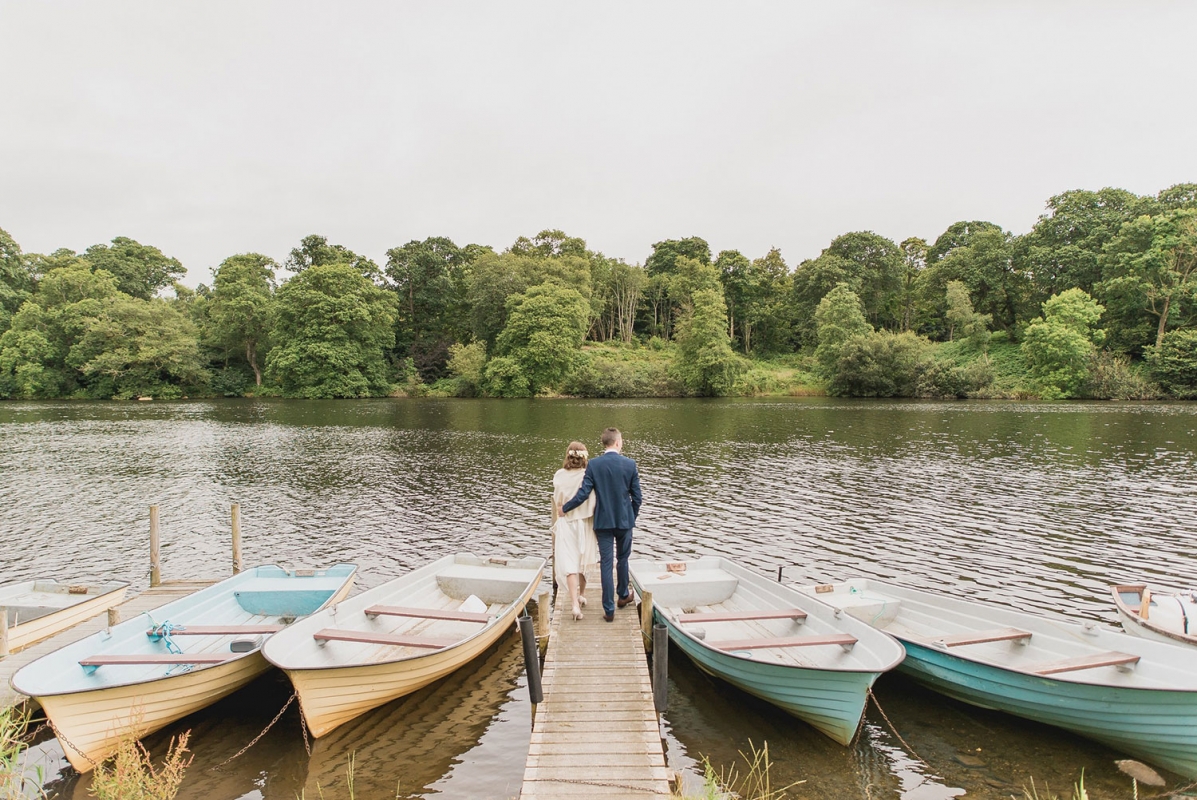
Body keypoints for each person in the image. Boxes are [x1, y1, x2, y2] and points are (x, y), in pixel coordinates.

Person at [561, 427, 642, 622]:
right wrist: (631, 517)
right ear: (617, 442)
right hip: (624, 521)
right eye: (621, 440)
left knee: (606, 563)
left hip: (603, 521)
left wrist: (566, 507)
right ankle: (623, 596)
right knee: (623, 558)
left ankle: (609, 609)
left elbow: (583, 494)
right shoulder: (630, 465)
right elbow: (637, 497)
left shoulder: (594, 465)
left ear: (605, 443)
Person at [550, 441, 598, 621]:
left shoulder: (559, 475)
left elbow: (557, 501)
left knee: (570, 562)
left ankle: (574, 605)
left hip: (566, 522)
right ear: (584, 457)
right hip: (585, 523)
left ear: (568, 456)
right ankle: (582, 594)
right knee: (583, 558)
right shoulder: (588, 475)